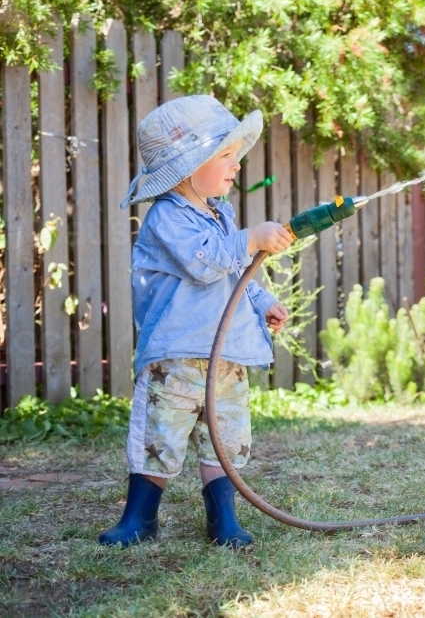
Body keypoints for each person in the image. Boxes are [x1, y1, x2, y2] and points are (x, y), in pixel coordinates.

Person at [98, 95, 293, 548]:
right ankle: (139, 518)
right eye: (225, 155)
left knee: (224, 437)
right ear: (188, 167)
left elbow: (233, 274)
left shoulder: (219, 212)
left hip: (226, 354)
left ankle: (222, 518)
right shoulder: (167, 217)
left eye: (235, 155)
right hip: (178, 355)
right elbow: (206, 263)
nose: (236, 165)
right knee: (159, 436)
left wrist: (262, 300)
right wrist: (252, 237)